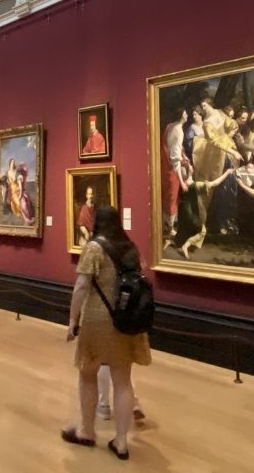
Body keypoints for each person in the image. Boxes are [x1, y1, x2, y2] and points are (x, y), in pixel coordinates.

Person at [63, 206, 151, 460]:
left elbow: (81, 286)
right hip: (125, 319)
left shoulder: (93, 248)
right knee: (123, 381)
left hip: (98, 320)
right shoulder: (130, 247)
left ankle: (87, 430)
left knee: (87, 374)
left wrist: (72, 320)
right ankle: (121, 442)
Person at [161, 107, 189, 239]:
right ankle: (169, 228)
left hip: (165, 166)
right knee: (171, 197)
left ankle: (167, 225)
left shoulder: (170, 126)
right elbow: (174, 156)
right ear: (180, 116)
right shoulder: (178, 130)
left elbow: (176, 148)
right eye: (185, 114)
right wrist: (182, 182)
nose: (187, 115)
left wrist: (184, 156)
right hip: (171, 168)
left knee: (168, 196)